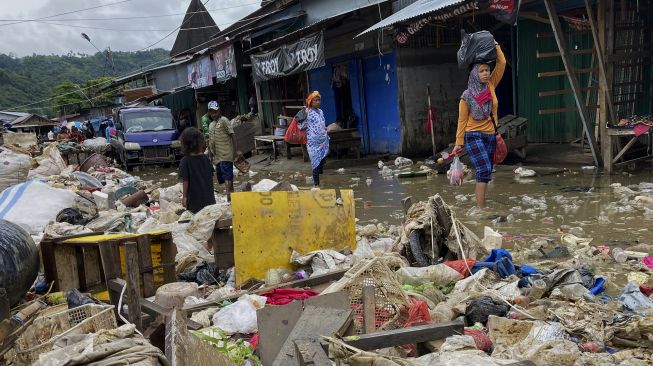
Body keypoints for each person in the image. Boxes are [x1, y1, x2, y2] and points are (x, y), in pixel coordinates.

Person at [452, 41, 506, 209]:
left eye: (487, 70)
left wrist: (496, 45)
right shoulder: (466, 96)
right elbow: (461, 121)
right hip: (473, 134)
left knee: (487, 172)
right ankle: (481, 209)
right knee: (483, 169)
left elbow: (502, 63)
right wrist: (458, 143)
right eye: (481, 71)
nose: (485, 74)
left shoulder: (491, 85)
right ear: (474, 73)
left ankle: (482, 205)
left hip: (490, 134)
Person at [207, 101, 238, 201]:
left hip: (226, 154)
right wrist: (210, 154)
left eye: (215, 111)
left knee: (227, 175)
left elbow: (232, 135)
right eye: (212, 112)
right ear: (209, 113)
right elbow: (210, 140)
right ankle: (232, 194)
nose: (214, 113)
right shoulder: (211, 125)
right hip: (217, 157)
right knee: (224, 177)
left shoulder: (224, 120)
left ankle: (229, 196)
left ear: (219, 110)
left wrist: (236, 151)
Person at [302, 91, 329, 188]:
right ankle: (316, 184)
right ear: (310, 102)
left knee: (322, 159)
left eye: (319, 100)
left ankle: (320, 177)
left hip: (322, 141)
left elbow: (322, 124)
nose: (318, 102)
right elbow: (301, 125)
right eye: (315, 100)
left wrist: (325, 129)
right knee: (315, 162)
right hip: (313, 143)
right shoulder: (307, 112)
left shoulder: (321, 111)